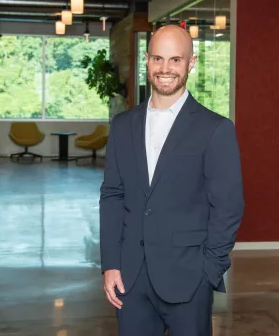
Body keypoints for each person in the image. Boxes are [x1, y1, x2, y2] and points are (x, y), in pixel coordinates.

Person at [100, 25, 244, 336]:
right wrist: (110, 263)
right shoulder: (123, 125)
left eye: (176, 60)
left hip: (189, 278)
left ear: (191, 63)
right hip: (130, 278)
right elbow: (112, 195)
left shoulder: (215, 129)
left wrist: (209, 270)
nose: (165, 69)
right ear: (147, 61)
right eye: (157, 59)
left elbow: (228, 207)